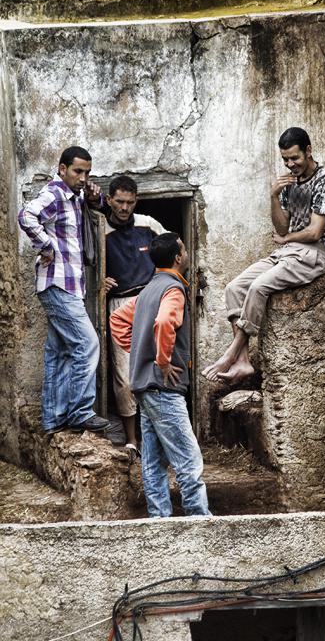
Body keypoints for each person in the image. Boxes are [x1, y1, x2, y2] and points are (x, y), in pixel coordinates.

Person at [203, 127, 325, 385]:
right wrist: (274, 196)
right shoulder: (290, 183)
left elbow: (314, 232)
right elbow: (281, 228)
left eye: (295, 158)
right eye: (286, 160)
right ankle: (243, 361)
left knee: (258, 287)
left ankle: (232, 352)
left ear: (308, 151)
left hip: (313, 255)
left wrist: (287, 239)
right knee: (234, 288)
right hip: (287, 252)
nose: (291, 164)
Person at [109, 232, 211, 518]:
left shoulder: (148, 289)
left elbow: (117, 319)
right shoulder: (173, 289)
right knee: (188, 459)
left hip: (145, 387)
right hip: (164, 387)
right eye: (184, 249)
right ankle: (200, 521)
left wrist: (142, 350)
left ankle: (159, 520)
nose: (187, 253)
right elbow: (165, 321)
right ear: (178, 257)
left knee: (153, 462)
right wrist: (162, 360)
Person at [18, 146, 110, 435]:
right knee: (87, 344)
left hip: (69, 285)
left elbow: (102, 205)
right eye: (77, 171)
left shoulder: (75, 197)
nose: (83, 177)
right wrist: (46, 246)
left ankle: (52, 419)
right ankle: (80, 412)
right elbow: (26, 216)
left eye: (87, 172)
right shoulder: (55, 194)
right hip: (58, 283)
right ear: (62, 169)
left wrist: (96, 197)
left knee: (58, 352)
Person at [104, 175, 165, 451]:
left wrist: (167, 283)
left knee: (158, 368)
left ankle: (161, 438)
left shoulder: (149, 224)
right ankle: (132, 440)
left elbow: (176, 251)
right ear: (109, 200)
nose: (124, 207)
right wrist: (99, 280)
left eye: (129, 202)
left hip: (150, 299)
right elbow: (86, 267)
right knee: (124, 375)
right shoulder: (100, 230)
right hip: (119, 304)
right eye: (119, 202)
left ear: (136, 201)